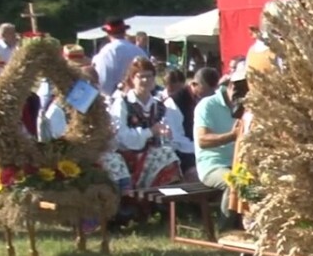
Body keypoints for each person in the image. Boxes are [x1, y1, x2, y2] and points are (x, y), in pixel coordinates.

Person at [101, 57, 182, 199]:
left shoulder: (159, 105)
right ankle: (130, 203)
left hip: (150, 154)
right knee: (162, 155)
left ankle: (164, 201)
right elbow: (122, 137)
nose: (145, 80)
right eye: (141, 76)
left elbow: (170, 134)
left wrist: (166, 135)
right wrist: (150, 132)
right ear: (132, 79)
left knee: (168, 154)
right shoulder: (122, 103)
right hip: (126, 153)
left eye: (149, 76)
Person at [192, 66, 241, 222]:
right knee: (236, 182)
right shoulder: (207, 105)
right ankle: (226, 229)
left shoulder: (245, 106)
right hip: (212, 165)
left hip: (238, 164)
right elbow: (202, 140)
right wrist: (232, 136)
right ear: (231, 85)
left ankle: (248, 227)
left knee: (255, 186)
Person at [91, 17, 149, 96]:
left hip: (114, 100)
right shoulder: (139, 51)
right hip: (140, 98)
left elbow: (103, 82)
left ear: (108, 34)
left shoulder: (106, 53)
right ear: (124, 32)